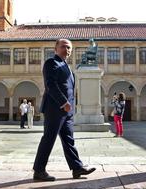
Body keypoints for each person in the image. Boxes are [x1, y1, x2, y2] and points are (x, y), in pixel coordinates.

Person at [33, 39, 96, 181]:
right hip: (54, 108)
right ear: (56, 49)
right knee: (49, 139)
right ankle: (38, 170)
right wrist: (63, 102)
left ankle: (77, 168)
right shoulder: (51, 63)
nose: (66, 50)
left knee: (69, 140)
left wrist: (70, 107)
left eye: (69, 48)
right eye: (63, 47)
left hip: (67, 111)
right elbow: (50, 85)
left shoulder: (67, 66)